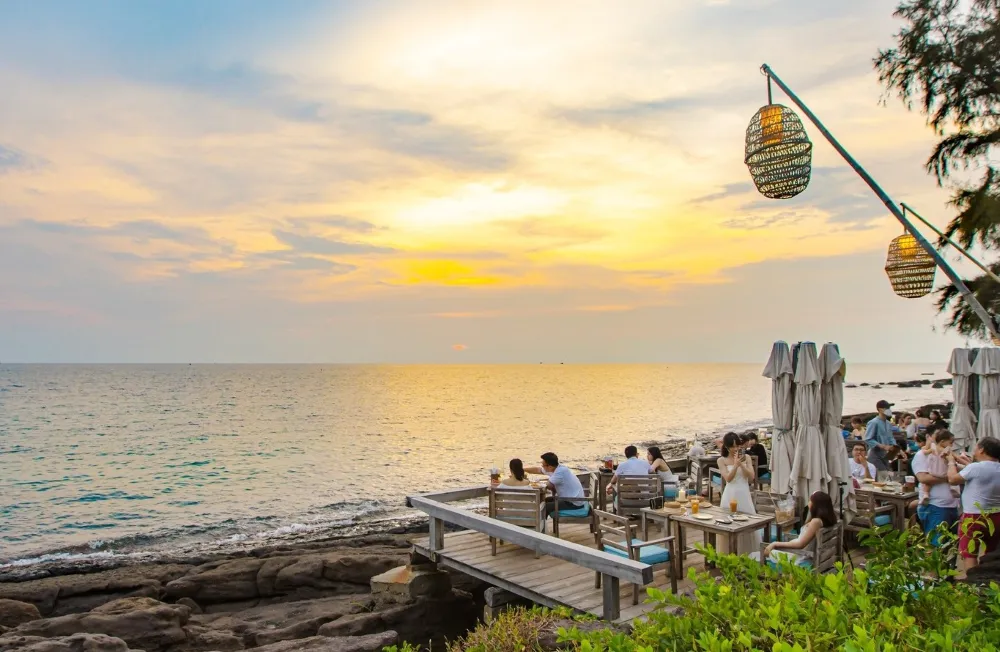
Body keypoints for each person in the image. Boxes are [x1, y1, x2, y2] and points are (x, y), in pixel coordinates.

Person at [947, 437, 1000, 572]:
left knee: (969, 552)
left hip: (973, 516)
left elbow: (952, 479)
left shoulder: (975, 468)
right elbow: (976, 472)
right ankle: (988, 583)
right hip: (996, 516)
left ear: (982, 449)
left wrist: (950, 462)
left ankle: (972, 585)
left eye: (976, 447)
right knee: (991, 553)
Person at [762, 491, 838, 566]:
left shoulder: (816, 522)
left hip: (801, 555)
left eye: (810, 501)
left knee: (763, 552)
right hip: (806, 553)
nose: (809, 503)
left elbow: (800, 544)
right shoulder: (829, 520)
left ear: (816, 505)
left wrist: (775, 544)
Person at [911, 430, 960, 545]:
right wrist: (950, 477)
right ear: (928, 436)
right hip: (936, 506)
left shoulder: (947, 451)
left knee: (951, 544)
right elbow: (923, 479)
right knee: (937, 544)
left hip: (951, 506)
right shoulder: (922, 455)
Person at [718, 432, 762, 554]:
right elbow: (728, 478)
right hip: (730, 494)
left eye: (737, 446)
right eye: (733, 446)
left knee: (747, 523)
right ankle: (729, 554)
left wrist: (742, 465)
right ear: (726, 447)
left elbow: (751, 477)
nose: (736, 449)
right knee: (728, 523)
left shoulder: (747, 458)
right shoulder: (721, 460)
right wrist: (735, 466)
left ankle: (748, 554)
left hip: (743, 493)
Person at [524, 452, 587, 520]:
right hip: (569, 499)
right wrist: (523, 469)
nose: (542, 466)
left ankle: (538, 526)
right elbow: (538, 470)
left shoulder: (560, 472)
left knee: (545, 506)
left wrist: (539, 483)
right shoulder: (557, 468)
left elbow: (548, 485)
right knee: (545, 500)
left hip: (574, 503)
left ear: (550, 466)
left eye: (543, 465)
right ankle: (540, 525)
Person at [865, 400, 906, 472]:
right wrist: (883, 446)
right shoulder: (873, 422)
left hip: (885, 455)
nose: (889, 410)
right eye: (887, 408)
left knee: (887, 474)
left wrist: (899, 450)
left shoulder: (888, 423)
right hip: (875, 454)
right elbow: (868, 439)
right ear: (880, 409)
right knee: (882, 474)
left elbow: (891, 438)